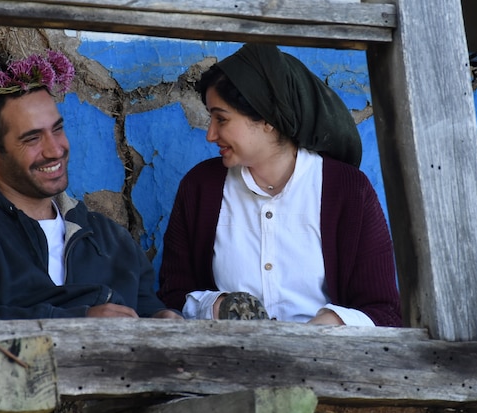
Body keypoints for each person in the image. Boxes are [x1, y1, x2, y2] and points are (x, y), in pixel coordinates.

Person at [158, 43, 401, 327]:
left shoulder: (349, 191)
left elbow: (384, 311)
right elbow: (172, 297)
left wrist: (333, 323)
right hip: (226, 362)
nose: (211, 134)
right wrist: (217, 306)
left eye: (221, 119)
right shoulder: (200, 187)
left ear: (267, 120)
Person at [0, 51, 181, 320]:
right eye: (33, 138)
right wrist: (80, 320)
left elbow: (147, 310)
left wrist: (163, 319)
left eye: (57, 129)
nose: (55, 150)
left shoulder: (109, 239)